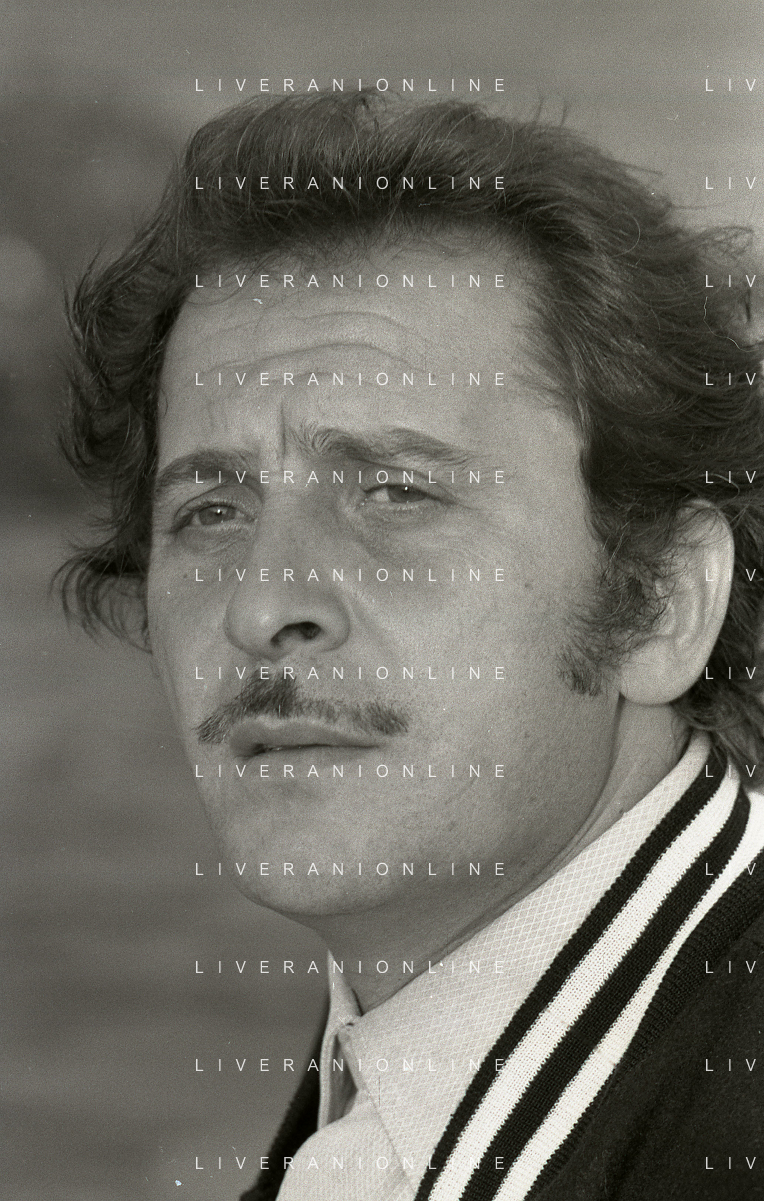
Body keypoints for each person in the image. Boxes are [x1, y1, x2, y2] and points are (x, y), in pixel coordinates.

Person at [60, 92, 764, 1200]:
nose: (261, 604)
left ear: (663, 602)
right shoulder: (406, 1065)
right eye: (212, 511)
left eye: (395, 492)